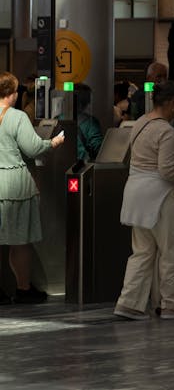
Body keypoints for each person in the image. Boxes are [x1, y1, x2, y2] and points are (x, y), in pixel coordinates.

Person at [114, 81, 174, 321]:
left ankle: (129, 304)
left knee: (141, 252)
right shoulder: (166, 130)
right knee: (169, 252)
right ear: (173, 103)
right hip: (160, 197)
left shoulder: (141, 122)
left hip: (136, 194)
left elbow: (167, 155)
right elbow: (166, 170)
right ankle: (171, 306)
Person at [0, 71, 66, 304]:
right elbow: (33, 148)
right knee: (20, 241)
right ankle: (23, 289)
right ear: (13, 93)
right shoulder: (17, 116)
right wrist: (54, 142)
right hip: (15, 184)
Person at [75, 83, 104, 162]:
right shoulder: (90, 123)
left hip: (59, 166)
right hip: (81, 167)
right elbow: (98, 148)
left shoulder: (57, 120)